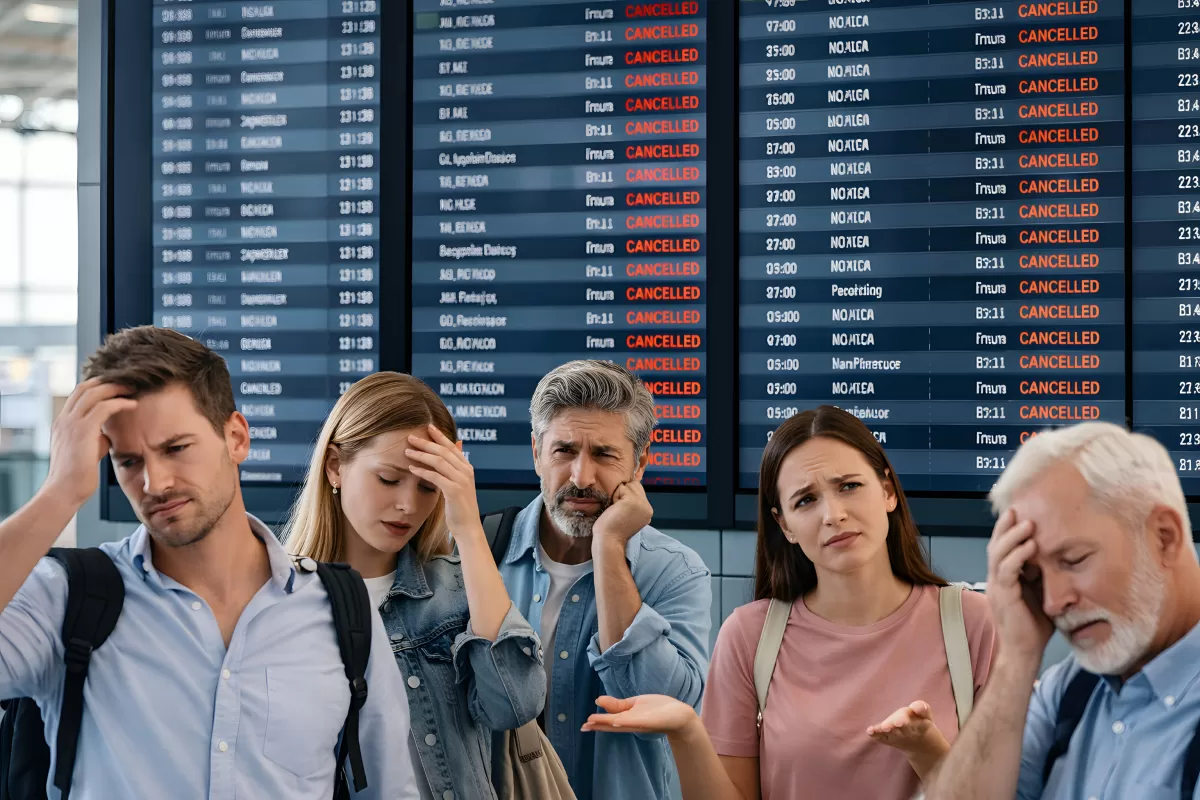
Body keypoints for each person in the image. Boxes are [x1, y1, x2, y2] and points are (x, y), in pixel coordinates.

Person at [0, 326, 417, 798]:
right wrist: (61, 492)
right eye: (129, 461)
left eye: (176, 448)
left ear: (236, 438)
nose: (154, 483)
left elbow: (389, 790)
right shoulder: (65, 601)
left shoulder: (344, 613)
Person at [582, 405, 997, 800]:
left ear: (887, 491)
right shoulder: (750, 636)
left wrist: (926, 750)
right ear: (785, 525)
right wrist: (687, 730)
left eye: (849, 486)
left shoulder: (972, 622)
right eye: (806, 500)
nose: (833, 514)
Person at [283, 371, 545, 799]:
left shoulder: (458, 590)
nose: (408, 505)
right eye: (388, 479)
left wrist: (468, 531)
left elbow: (515, 704)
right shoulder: (281, 598)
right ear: (335, 466)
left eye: (428, 487)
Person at [926, 422, 1200, 800]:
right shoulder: (1069, 690)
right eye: (1035, 576)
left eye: (1073, 560)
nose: (1053, 602)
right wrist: (1017, 659)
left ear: (1164, 537)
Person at [493, 359, 712, 800]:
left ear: (639, 464)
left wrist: (609, 547)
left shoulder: (676, 571)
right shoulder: (479, 556)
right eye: (564, 451)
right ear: (537, 453)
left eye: (605, 454)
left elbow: (661, 716)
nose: (581, 477)